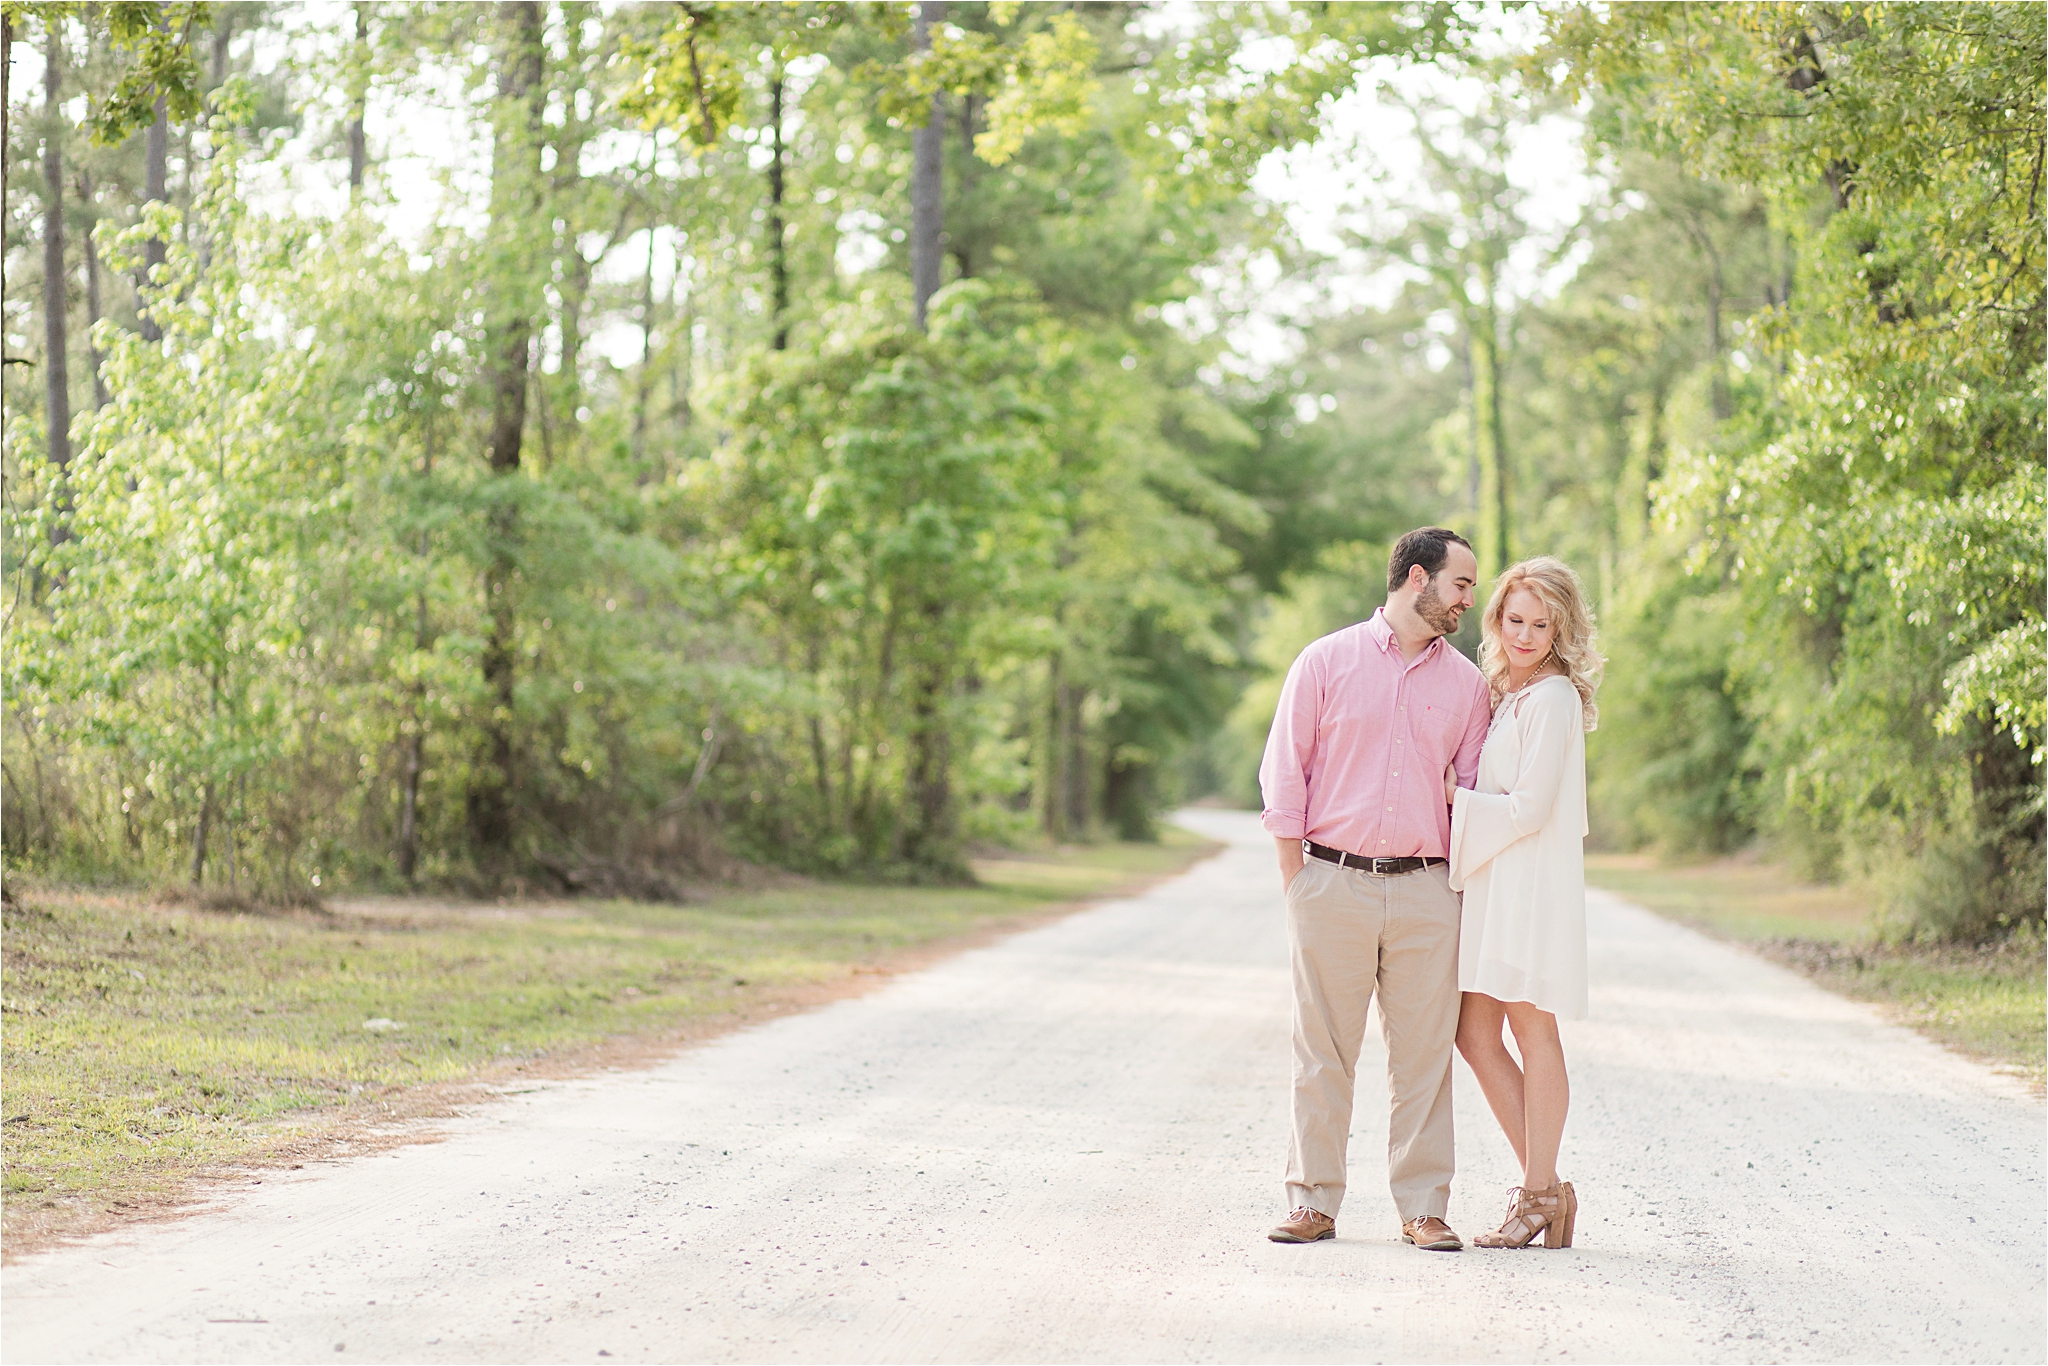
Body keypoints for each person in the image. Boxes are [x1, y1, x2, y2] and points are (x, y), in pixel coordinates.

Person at [1258, 527, 1491, 1251]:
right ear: (1417, 578)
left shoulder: (1468, 685)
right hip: (1331, 881)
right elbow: (1283, 775)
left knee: (1424, 1057)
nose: (1468, 601)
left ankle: (1423, 1207)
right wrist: (1299, 884)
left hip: (1427, 890)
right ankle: (1312, 1201)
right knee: (1322, 1050)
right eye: (1461, 584)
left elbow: (1476, 792)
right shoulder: (1325, 661)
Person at [1442, 555, 1602, 1250]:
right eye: (1515, 620)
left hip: (1527, 886)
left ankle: (1538, 1195)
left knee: (1535, 1034)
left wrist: (1455, 801)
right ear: (1497, 618)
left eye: (1542, 623)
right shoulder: (1505, 692)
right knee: (1473, 1034)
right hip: (1492, 882)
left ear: (1561, 627)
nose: (1527, 634)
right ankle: (1550, 1191)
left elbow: (1532, 807)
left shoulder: (1555, 698)